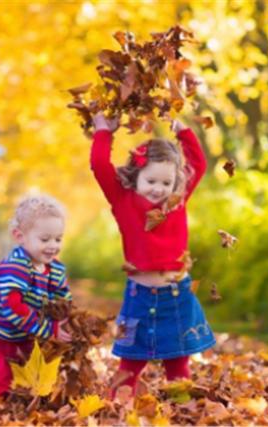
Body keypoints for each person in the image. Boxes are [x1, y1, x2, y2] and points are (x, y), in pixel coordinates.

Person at [90, 112, 215, 395]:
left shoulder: (177, 201)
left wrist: (184, 133)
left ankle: (183, 414)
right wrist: (102, 132)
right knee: (130, 365)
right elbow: (99, 165)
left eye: (166, 183)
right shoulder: (123, 200)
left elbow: (199, 163)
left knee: (178, 366)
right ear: (136, 178)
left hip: (177, 295)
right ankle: (115, 412)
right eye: (151, 181)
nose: (159, 189)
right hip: (139, 297)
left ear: (176, 184)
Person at [0, 195, 72, 398]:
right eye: (45, 239)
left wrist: (67, 321)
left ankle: (20, 407)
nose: (53, 245)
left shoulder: (55, 269)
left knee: (28, 379)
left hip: (22, 335)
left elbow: (63, 298)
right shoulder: (15, 267)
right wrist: (50, 330)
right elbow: (15, 308)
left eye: (58, 239)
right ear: (20, 236)